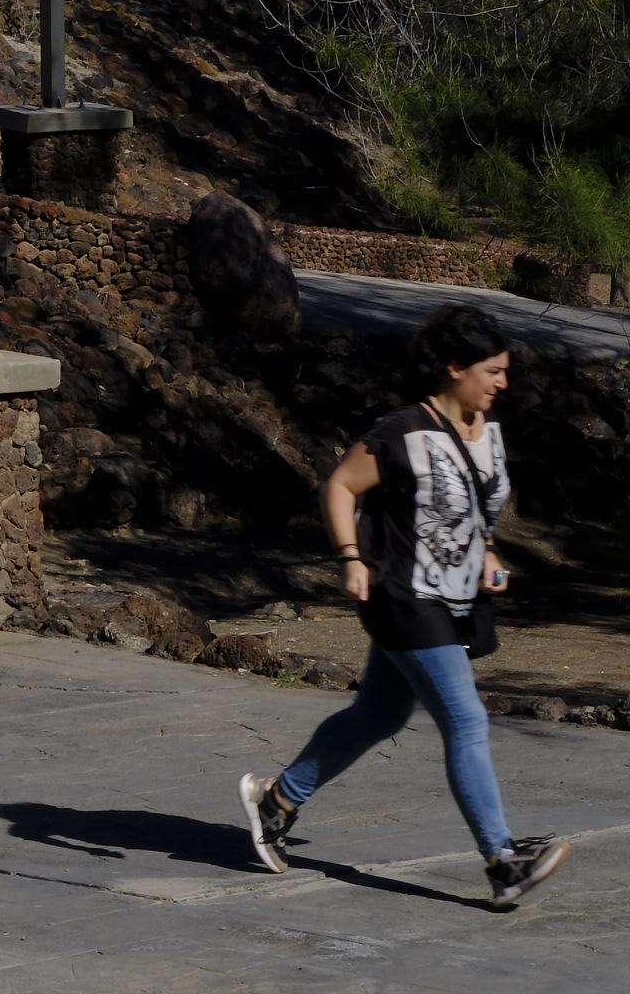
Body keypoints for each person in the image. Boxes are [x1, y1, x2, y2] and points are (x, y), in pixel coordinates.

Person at [242, 306, 570, 907]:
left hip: (455, 600)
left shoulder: (488, 431)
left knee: (379, 718)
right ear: (455, 368)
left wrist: (490, 551)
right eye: (493, 371)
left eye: (505, 372)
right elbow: (339, 486)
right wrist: (350, 557)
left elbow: (477, 509)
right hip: (401, 594)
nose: (503, 383)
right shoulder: (400, 433)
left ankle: (279, 798)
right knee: (466, 720)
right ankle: (502, 860)